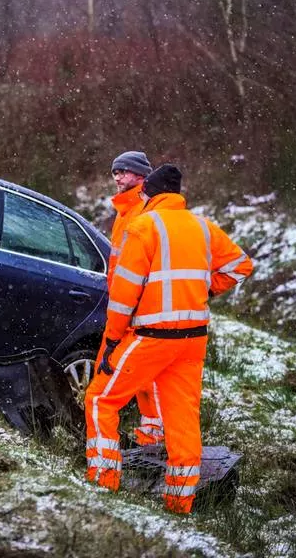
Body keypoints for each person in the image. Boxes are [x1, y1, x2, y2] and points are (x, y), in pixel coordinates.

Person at [84, 164, 254, 514]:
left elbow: (124, 293)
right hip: (193, 339)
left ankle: (104, 479)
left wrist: (114, 339)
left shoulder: (142, 226)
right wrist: (203, 288)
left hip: (152, 336)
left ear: (148, 194)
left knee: (101, 398)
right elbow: (240, 265)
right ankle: (179, 500)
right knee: (182, 418)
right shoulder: (202, 227)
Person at [108, 151, 165, 447]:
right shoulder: (124, 210)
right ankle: (150, 435)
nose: (117, 177)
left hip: (140, 306)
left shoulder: (144, 210)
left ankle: (153, 439)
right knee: (140, 376)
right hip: (124, 303)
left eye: (123, 171)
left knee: (149, 377)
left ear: (141, 176)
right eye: (115, 171)